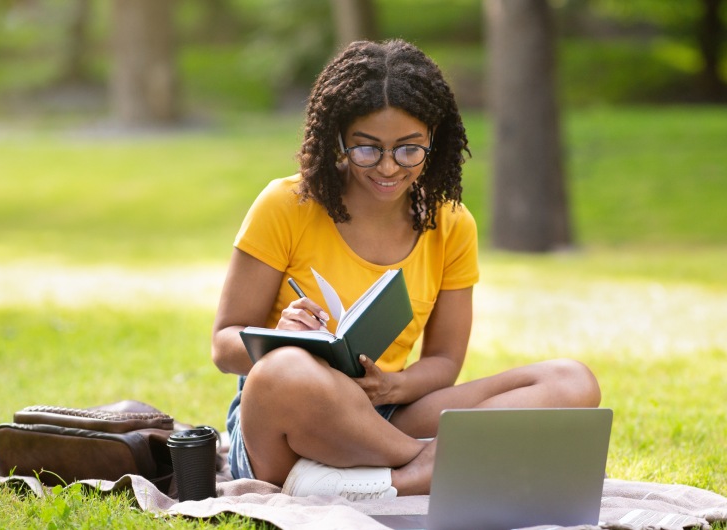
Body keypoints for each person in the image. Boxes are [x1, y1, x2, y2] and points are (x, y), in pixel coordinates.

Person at [211, 39, 601, 500]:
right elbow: (223, 345)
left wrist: (392, 385)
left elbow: (444, 362)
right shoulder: (285, 205)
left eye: (409, 149)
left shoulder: (451, 224)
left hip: (385, 414)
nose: (389, 167)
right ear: (339, 138)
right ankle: (435, 465)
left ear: (433, 141)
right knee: (285, 370)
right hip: (286, 424)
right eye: (367, 149)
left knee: (571, 381)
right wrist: (280, 334)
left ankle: (394, 478)